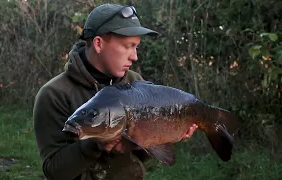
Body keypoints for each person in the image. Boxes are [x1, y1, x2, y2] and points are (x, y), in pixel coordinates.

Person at [33, 3, 198, 180]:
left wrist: (164, 135)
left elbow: (142, 159)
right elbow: (54, 171)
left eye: (136, 47)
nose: (134, 56)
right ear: (98, 43)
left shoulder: (135, 83)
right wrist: (96, 144)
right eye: (128, 46)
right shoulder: (54, 94)